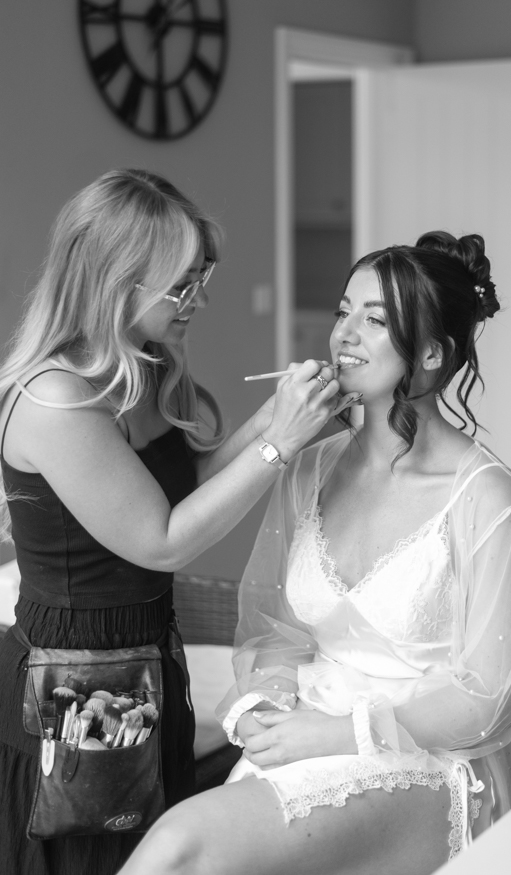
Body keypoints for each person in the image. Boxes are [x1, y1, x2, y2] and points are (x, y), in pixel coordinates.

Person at [118, 230, 511, 875]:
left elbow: (487, 702)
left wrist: (341, 734)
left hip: (426, 761)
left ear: (431, 354)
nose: (344, 334)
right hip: (302, 732)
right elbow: (275, 628)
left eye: (375, 320)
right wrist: (265, 703)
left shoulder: (490, 499)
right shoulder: (310, 466)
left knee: (180, 847)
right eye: (344, 311)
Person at [0, 168, 360, 875]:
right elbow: (161, 538)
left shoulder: (138, 366)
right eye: (181, 284)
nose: (197, 299)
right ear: (117, 278)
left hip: (146, 661)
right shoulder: (55, 399)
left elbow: (182, 481)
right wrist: (280, 441)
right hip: (78, 689)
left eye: (202, 277)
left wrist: (282, 414)